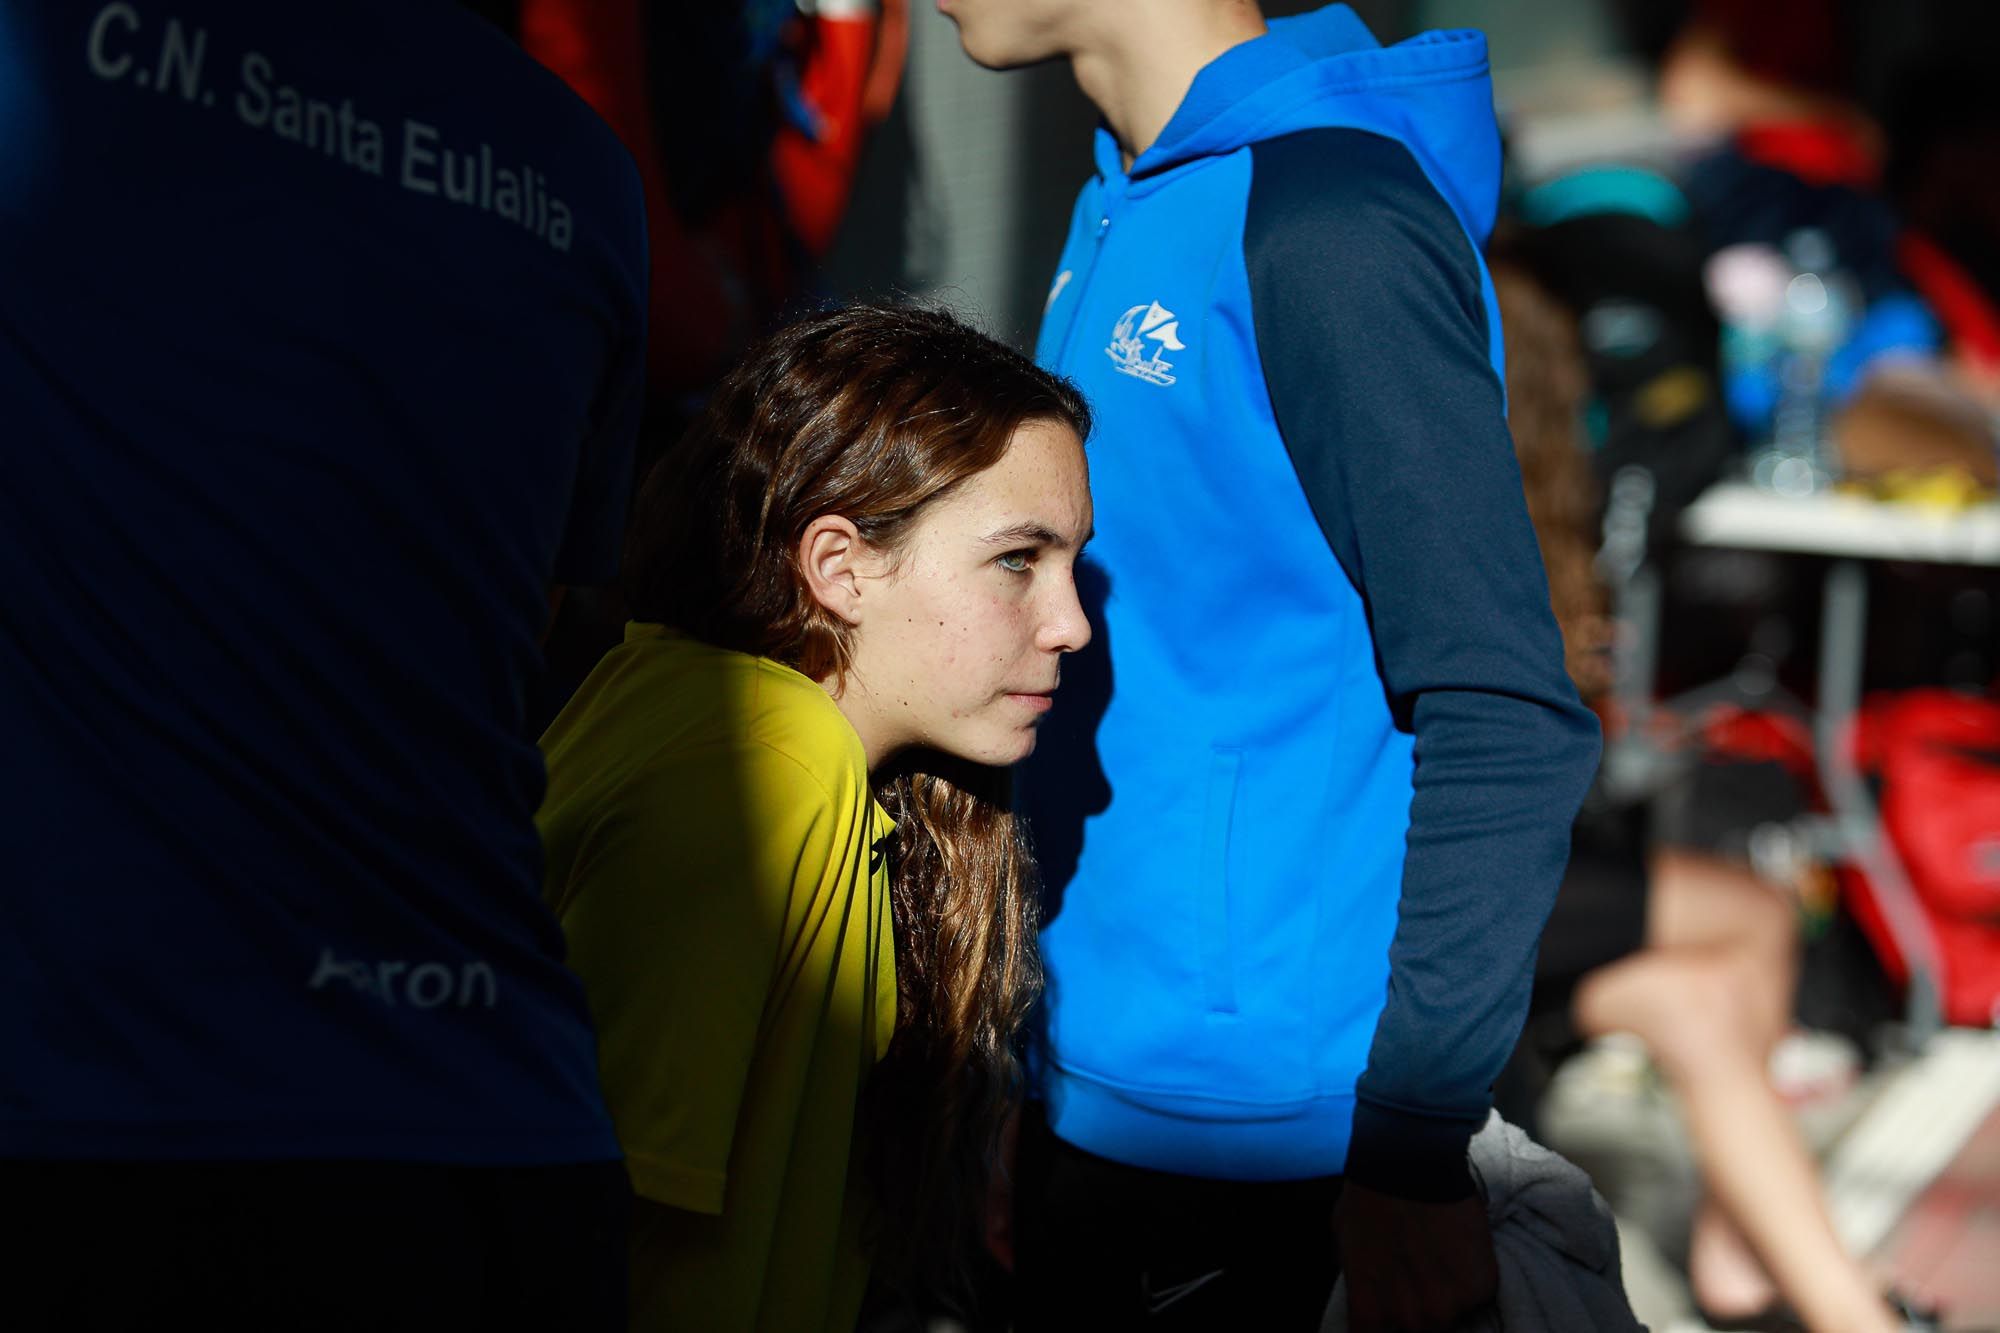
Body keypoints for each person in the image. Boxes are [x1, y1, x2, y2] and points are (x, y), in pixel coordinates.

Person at [940, 3, 1603, 1329]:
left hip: (1272, 1152)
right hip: (1094, 1092)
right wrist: (1021, 1070)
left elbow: (1503, 705)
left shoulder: (1327, 214)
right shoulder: (1131, 196)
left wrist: (1412, 1147)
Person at [1, 1, 646, 1326]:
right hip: (496, 1133)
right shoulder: (577, 168)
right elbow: (539, 627)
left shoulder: (41, 51)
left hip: (111, 1132)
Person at [535, 304, 1095, 1331]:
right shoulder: (758, 767)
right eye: (1019, 558)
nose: (1069, 623)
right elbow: (608, 1219)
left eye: (1070, 564)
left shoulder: (680, 693)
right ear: (838, 567)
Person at [1494, 260, 1935, 1333]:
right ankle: (1798, 1287)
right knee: (1750, 915)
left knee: (1706, 988)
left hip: (1493, 891)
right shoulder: (1494, 530)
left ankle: (1773, 1277)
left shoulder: (1486, 520)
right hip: (1469, 899)